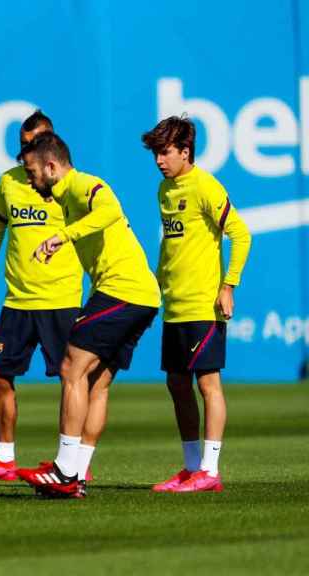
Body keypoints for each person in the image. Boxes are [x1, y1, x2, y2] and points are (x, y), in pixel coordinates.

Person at [15, 132, 161, 498]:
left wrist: (62, 237)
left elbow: (111, 210)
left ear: (51, 166)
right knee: (96, 383)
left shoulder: (83, 184)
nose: (30, 181)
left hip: (122, 290)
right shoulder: (66, 196)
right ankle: (76, 472)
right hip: (141, 295)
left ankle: (64, 471)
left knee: (71, 368)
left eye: (32, 172)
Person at [0, 110, 84, 483]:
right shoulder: (10, 183)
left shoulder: (72, 185)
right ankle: (4, 460)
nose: (28, 150)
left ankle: (74, 461)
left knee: (75, 379)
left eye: (36, 142)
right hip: (18, 300)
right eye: (24, 144)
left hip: (61, 298)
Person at [142, 116, 251, 493]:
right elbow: (171, 245)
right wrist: (156, 281)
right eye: (156, 152)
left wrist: (228, 286)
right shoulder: (164, 189)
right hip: (174, 305)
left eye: (165, 152)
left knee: (208, 384)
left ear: (185, 152)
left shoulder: (205, 185)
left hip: (203, 306)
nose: (159, 159)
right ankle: (191, 468)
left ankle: (210, 470)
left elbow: (241, 234)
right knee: (176, 383)